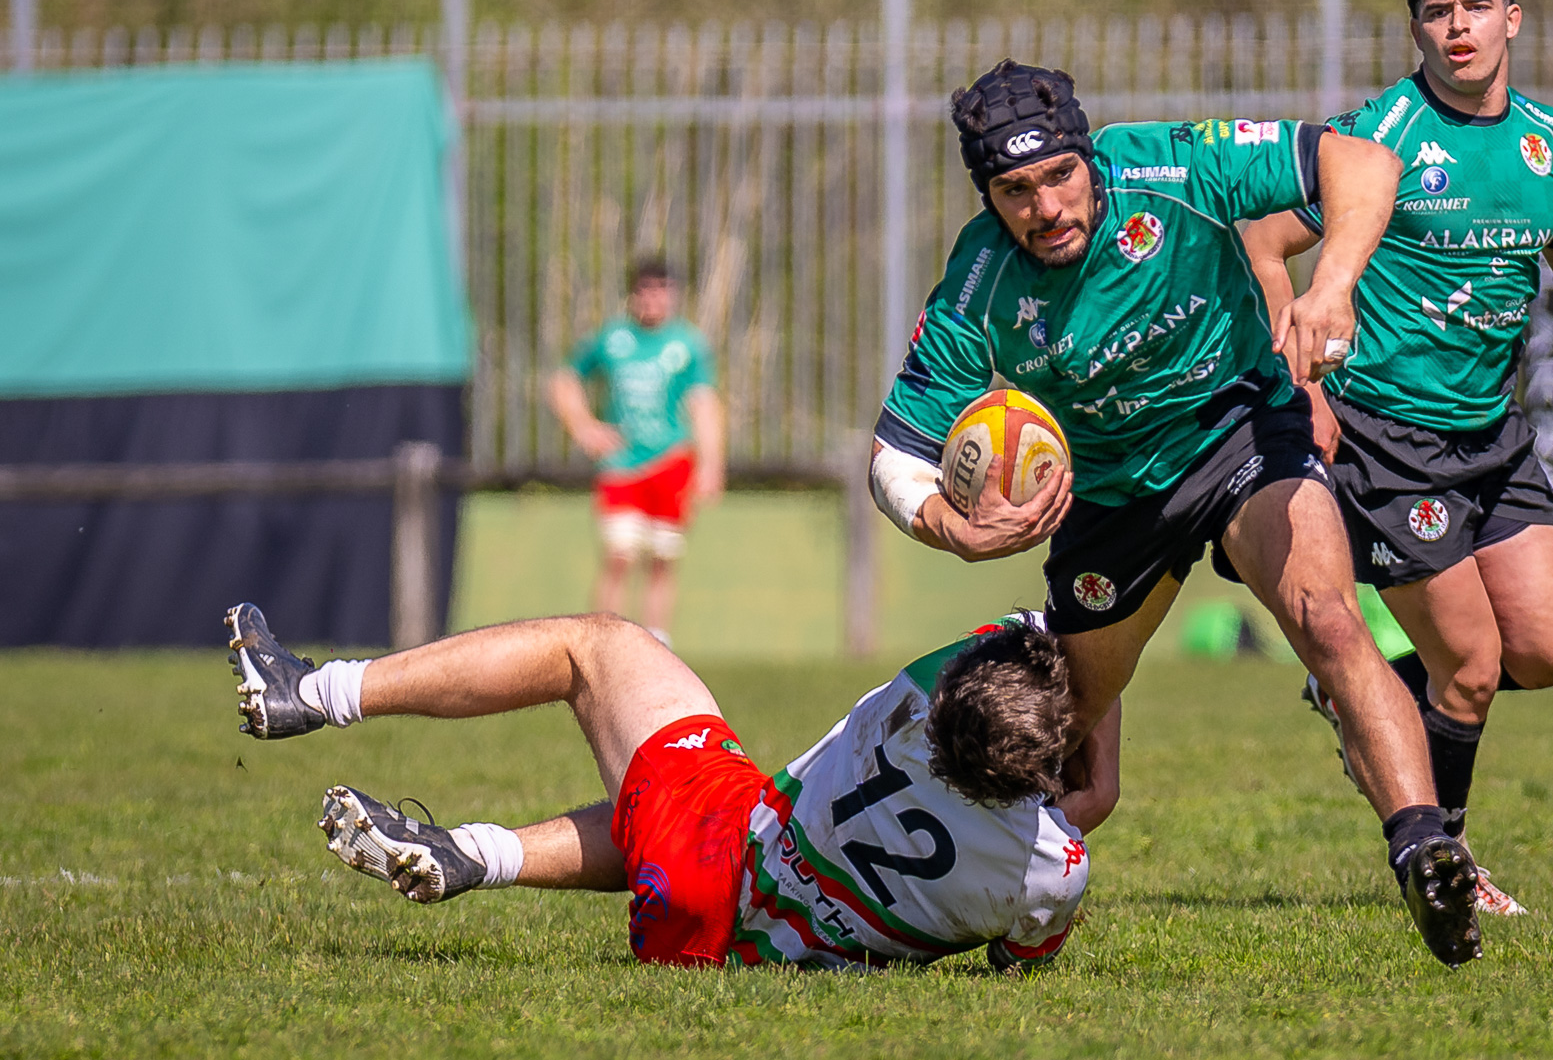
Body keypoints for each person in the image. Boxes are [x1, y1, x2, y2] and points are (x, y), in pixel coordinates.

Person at [867, 59, 1481, 967]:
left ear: (1089, 155)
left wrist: (1333, 283)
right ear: (989, 194)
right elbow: (894, 452)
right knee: (1070, 755)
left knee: (1327, 616)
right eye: (1016, 189)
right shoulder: (981, 280)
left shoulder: (1171, 166)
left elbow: (1362, 166)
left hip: (1241, 427)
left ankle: (1424, 849)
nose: (1046, 206)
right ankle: (944, 901)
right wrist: (947, 526)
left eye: (1061, 175)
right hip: (1112, 498)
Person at [1240, 0, 1553, 916]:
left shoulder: (1547, 143)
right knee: (1467, 666)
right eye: (1437, 12)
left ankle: (1368, 693)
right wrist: (1293, 362)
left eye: (1475, 8)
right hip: (1388, 438)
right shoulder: (1380, 136)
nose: (1457, 27)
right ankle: (1449, 866)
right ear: (1417, 28)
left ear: (1510, 17)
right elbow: (1264, 236)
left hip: (1492, 436)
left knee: (1551, 649)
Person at [224, 601, 1115, 970]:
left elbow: (1068, 624)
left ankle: (311, 690)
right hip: (730, 939)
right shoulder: (1053, 870)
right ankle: (471, 855)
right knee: (680, 796)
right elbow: (1016, 957)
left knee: (599, 645)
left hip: (725, 850)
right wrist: (1091, 792)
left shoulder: (925, 690)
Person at [547, 260, 725, 646]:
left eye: (661, 289)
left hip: (671, 461)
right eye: (645, 289)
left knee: (662, 558)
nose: (653, 298)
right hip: (621, 463)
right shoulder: (613, 339)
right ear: (634, 293)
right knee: (619, 554)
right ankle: (601, 641)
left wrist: (711, 464)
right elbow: (565, 379)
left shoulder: (687, 344)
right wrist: (583, 426)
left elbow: (703, 403)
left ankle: (656, 642)